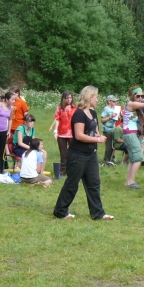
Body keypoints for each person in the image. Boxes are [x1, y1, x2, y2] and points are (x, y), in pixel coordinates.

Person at [53, 86, 113, 220]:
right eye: (96, 97)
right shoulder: (79, 114)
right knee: (72, 184)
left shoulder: (93, 113)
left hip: (91, 154)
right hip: (77, 155)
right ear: (89, 97)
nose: (97, 100)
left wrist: (99, 136)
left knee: (94, 183)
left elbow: (94, 131)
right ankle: (60, 211)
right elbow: (79, 135)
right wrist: (97, 139)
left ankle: (98, 213)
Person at [49, 90, 75, 176]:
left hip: (72, 133)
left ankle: (72, 169)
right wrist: (55, 131)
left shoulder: (75, 108)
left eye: (70, 97)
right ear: (63, 98)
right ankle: (63, 170)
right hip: (61, 133)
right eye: (67, 98)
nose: (69, 99)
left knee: (73, 152)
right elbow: (57, 119)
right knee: (63, 153)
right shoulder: (59, 108)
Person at [100, 95, 120, 165]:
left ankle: (111, 159)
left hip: (113, 129)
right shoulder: (106, 109)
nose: (115, 103)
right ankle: (106, 161)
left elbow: (117, 119)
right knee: (108, 146)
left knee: (112, 146)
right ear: (109, 101)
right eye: (113, 101)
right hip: (107, 130)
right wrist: (111, 116)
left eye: (115, 101)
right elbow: (102, 120)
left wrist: (119, 116)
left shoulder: (115, 109)